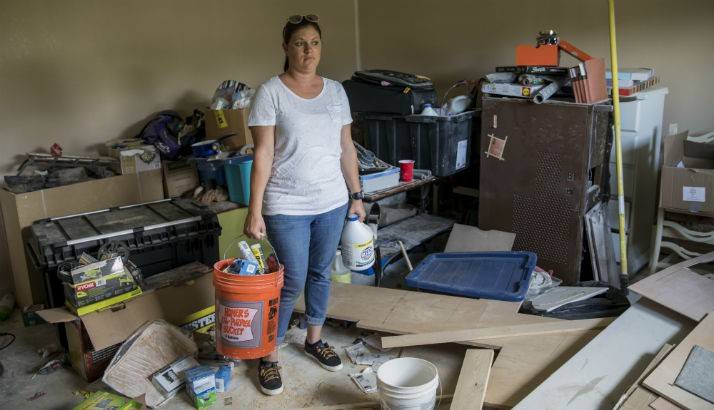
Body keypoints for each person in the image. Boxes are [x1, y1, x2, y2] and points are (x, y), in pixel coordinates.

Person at [244, 14, 366, 396]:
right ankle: (269, 354)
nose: (308, 50)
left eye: (314, 42)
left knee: (321, 273)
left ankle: (314, 338)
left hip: (331, 201)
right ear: (285, 48)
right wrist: (254, 208)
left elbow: (346, 148)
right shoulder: (271, 92)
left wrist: (357, 194)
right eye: (299, 43)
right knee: (291, 279)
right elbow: (262, 154)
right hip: (286, 204)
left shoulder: (335, 91)